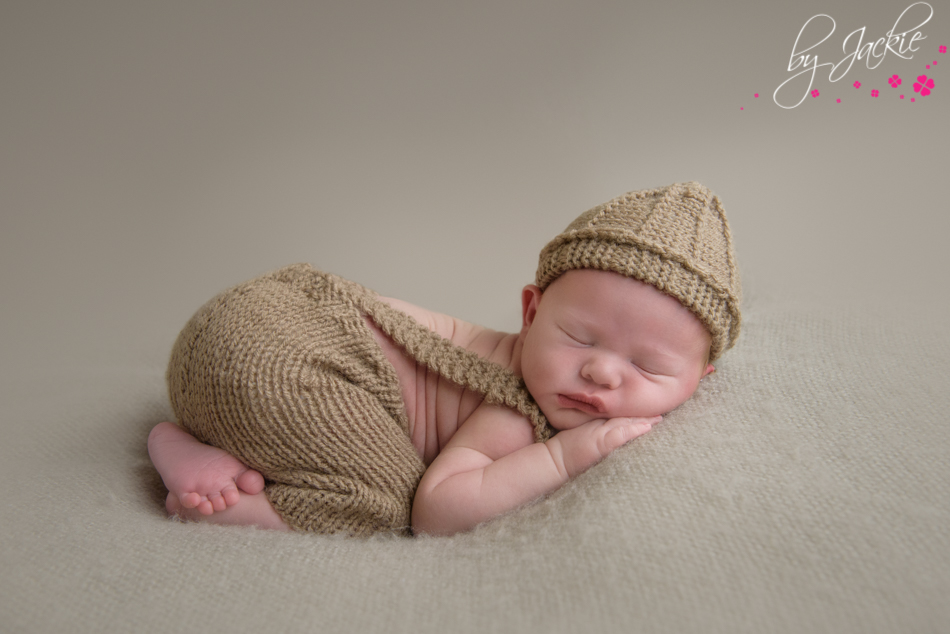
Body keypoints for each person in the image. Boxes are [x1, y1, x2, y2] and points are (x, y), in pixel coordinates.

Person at [148, 181, 742, 537]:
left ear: (701, 379)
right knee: (385, 502)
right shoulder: (519, 404)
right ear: (530, 313)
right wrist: (564, 456)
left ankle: (188, 435)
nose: (602, 372)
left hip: (227, 327)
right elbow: (438, 509)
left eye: (648, 367)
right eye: (580, 339)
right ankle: (229, 511)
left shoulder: (538, 361)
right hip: (289, 359)